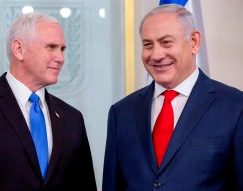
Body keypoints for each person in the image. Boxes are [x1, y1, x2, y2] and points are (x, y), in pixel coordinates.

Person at [0, 12, 97, 191]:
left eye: (62, 49)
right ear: (18, 49)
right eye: (51, 47)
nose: (61, 58)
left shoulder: (72, 118)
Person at [103, 4, 243, 191]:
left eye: (166, 42)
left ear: (194, 42)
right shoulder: (121, 112)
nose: (156, 54)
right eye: (148, 44)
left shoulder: (235, 107)